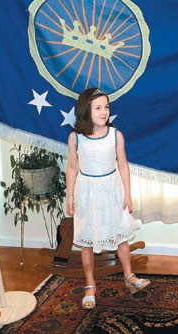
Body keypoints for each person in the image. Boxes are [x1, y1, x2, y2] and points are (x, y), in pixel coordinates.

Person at [66, 87, 150, 309]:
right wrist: (70, 194)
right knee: (86, 240)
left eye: (106, 107)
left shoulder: (115, 135)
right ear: (86, 110)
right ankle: (90, 285)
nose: (104, 112)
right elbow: (72, 167)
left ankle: (129, 275)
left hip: (111, 190)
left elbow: (123, 165)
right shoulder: (76, 138)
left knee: (120, 234)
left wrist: (127, 193)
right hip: (87, 192)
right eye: (98, 108)